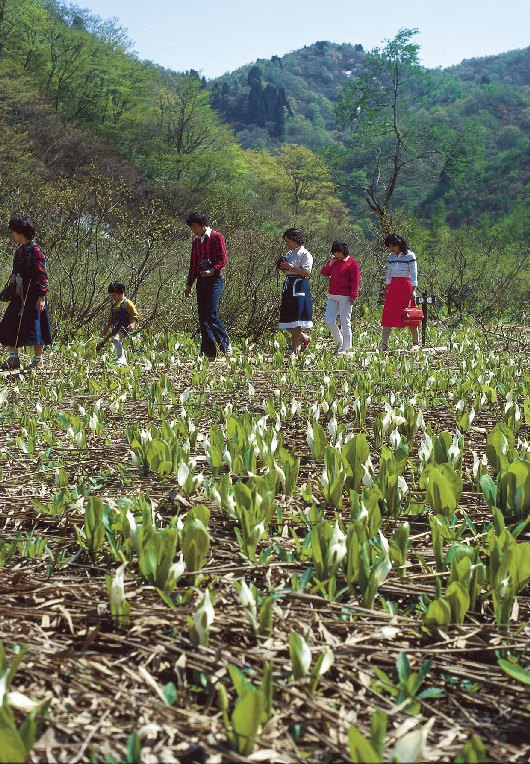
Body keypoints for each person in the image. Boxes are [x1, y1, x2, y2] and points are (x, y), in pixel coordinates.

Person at [0, 214, 52, 371]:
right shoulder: (20, 250)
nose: (13, 235)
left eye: (14, 232)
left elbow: (42, 275)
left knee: (36, 326)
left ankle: (38, 360)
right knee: (10, 322)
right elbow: (16, 269)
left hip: (34, 296)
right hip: (19, 293)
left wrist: (42, 297)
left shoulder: (36, 251)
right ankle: (13, 358)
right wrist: (14, 275)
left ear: (21, 232)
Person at [184, 212, 231, 360]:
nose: (194, 230)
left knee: (211, 314)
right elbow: (193, 264)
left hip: (215, 280)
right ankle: (209, 353)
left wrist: (212, 270)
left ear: (203, 225)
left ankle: (226, 345)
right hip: (201, 281)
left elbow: (223, 259)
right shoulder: (196, 241)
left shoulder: (217, 237)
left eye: (195, 226)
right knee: (203, 317)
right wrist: (189, 284)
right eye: (192, 227)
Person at [380, 232, 421, 351]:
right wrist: (387, 287)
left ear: (398, 244)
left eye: (393, 246)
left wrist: (413, 289)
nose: (391, 248)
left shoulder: (410, 255)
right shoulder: (390, 256)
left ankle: (415, 343)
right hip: (393, 286)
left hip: (405, 286)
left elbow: (414, 273)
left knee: (410, 313)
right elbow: (388, 273)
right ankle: (384, 344)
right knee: (388, 314)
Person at [321, 240, 360, 355]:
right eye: (335, 252)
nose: (336, 254)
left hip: (345, 296)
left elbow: (356, 280)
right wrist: (330, 263)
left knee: (345, 322)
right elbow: (324, 272)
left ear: (344, 251)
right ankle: (340, 342)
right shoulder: (333, 261)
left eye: (338, 252)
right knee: (328, 320)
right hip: (332, 295)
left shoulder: (352, 262)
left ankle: (346, 347)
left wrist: (353, 295)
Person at [278, 228, 313, 357]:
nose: (287, 243)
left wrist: (291, 268)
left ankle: (294, 349)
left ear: (295, 240)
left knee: (297, 319)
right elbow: (287, 270)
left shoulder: (305, 254)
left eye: (288, 241)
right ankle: (303, 338)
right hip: (288, 285)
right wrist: (283, 267)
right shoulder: (289, 253)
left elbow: (307, 272)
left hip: (299, 286)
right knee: (287, 318)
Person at [101, 282, 139, 366]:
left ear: (122, 292)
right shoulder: (114, 306)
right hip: (116, 327)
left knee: (116, 339)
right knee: (104, 342)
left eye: (114, 295)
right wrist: (107, 328)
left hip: (124, 327)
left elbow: (134, 315)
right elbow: (111, 319)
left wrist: (133, 323)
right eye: (111, 295)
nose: (112, 297)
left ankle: (122, 359)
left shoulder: (127, 303)